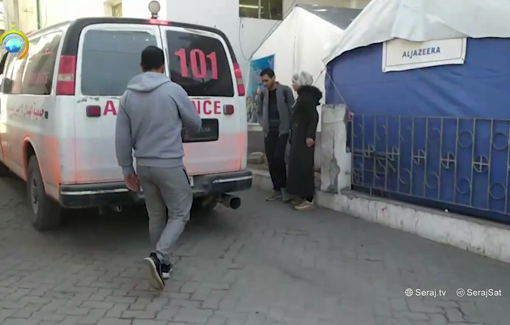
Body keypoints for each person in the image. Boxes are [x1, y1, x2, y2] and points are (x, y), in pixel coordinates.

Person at [115, 46, 201, 290]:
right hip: (169, 164)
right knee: (181, 212)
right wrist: (184, 129)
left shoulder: (127, 96)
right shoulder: (174, 90)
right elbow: (195, 123)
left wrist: (126, 169)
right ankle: (159, 256)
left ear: (141, 68)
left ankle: (161, 266)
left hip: (143, 165)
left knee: (155, 215)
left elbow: (122, 137)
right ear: (163, 66)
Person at [257, 68, 295, 202]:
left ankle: (284, 189)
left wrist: (290, 127)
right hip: (269, 131)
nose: (265, 83)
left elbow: (292, 109)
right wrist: (262, 123)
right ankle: (276, 189)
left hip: (282, 130)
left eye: (267, 80)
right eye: (263, 81)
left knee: (279, 158)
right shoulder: (263, 93)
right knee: (271, 160)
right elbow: (259, 111)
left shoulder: (285, 90)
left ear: (273, 78)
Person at [287, 72, 321, 211]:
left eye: (294, 81)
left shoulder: (306, 97)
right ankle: (300, 195)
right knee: (297, 166)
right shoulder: (302, 96)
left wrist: (310, 136)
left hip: (303, 139)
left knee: (305, 166)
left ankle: (308, 199)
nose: (292, 84)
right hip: (298, 137)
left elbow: (313, 117)